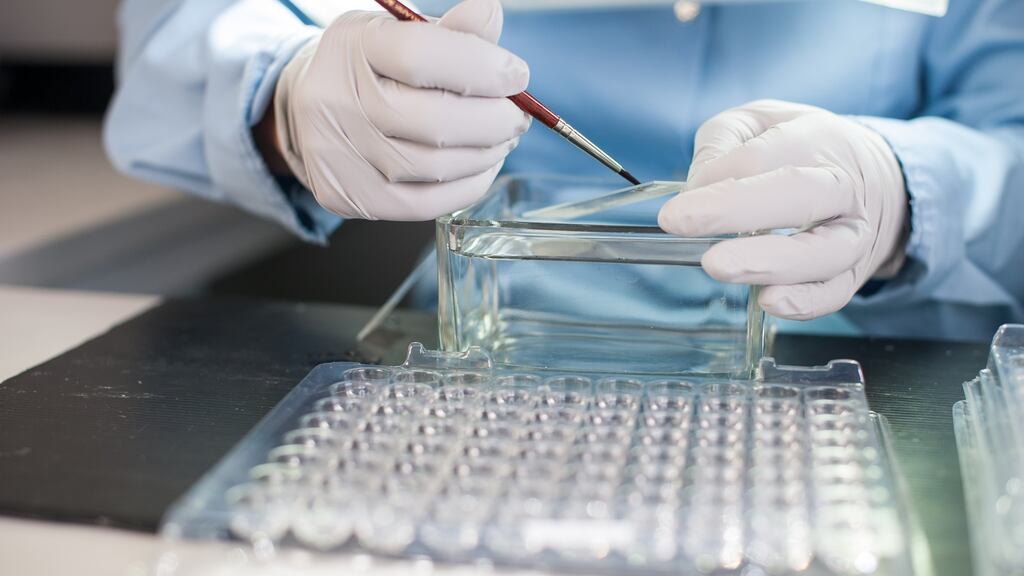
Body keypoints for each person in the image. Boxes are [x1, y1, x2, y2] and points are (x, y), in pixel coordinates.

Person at [105, 0, 1024, 340]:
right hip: (486, 368)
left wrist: (904, 191)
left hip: (893, 370)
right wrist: (285, 93)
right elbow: (185, 31)